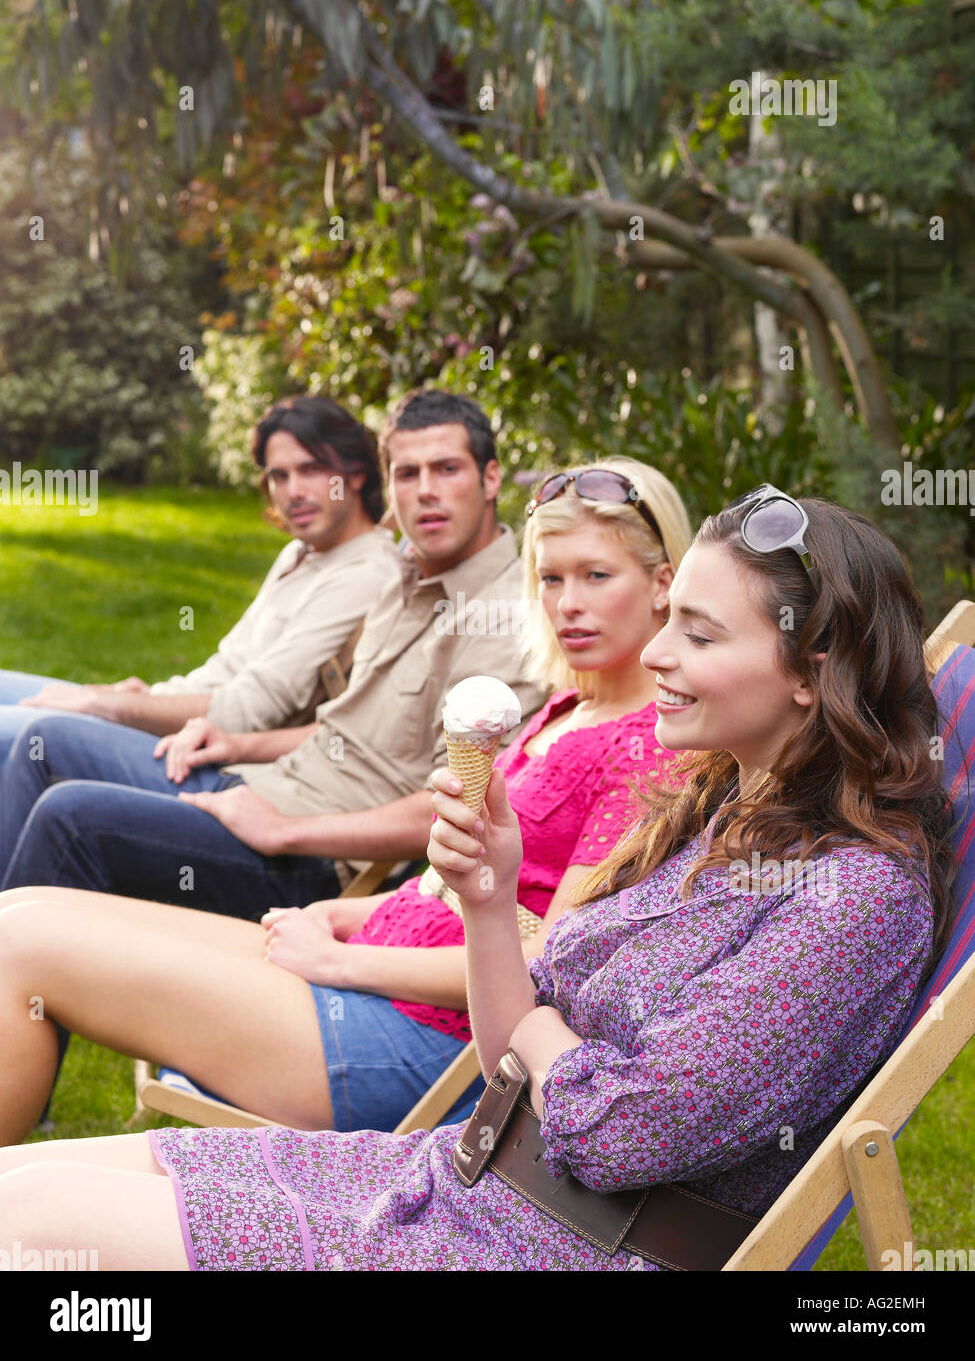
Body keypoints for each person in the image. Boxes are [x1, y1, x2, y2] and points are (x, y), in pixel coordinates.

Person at [0, 488, 956, 1272]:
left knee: (37, 1244)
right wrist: (493, 901)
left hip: (540, 1245)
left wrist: (542, 1033)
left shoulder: (854, 900)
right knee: (14, 1197)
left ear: (810, 671)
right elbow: (509, 1057)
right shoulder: (716, 817)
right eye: (669, 624)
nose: (657, 653)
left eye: (699, 636)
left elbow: (620, 1133)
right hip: (458, 1181)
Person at [0, 458, 691, 1141]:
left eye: (596, 576)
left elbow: (554, 967)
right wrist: (344, 914)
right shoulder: (567, 709)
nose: (567, 602)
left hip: (413, 1044)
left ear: (662, 584)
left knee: (19, 945)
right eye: (550, 577)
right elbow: (456, 889)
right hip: (367, 971)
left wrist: (340, 961)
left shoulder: (649, 753)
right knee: (20, 911)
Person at [0, 388, 546, 916]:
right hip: (263, 785)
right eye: (408, 473)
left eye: (447, 469)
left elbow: (460, 810)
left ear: (491, 477)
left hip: (314, 857)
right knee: (48, 741)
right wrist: (238, 743)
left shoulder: (502, 622)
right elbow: (349, 730)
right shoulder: (404, 581)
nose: (426, 490)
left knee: (68, 817)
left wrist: (286, 832)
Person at [0, 396, 398, 754]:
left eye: (311, 470)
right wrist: (151, 697)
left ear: (356, 474)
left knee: (19, 729)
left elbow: (250, 709)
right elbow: (227, 666)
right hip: (183, 722)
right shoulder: (301, 552)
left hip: (211, 754)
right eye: (279, 476)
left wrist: (110, 707)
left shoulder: (364, 573)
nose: (292, 492)